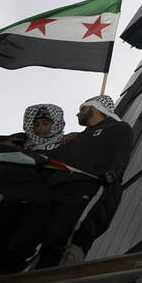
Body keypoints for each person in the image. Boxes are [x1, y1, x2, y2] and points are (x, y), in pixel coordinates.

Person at [40, 94, 134, 266]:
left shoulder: (119, 128)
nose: (77, 114)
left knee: (67, 244)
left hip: (91, 191)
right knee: (48, 241)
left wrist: (110, 176)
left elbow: (121, 156)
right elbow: (47, 160)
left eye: (82, 109)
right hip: (57, 192)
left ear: (95, 108)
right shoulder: (75, 138)